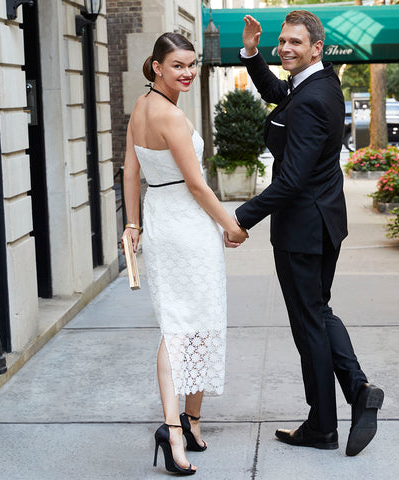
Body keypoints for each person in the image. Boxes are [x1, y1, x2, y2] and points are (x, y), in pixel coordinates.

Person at [235, 11, 384, 457]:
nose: (285, 48)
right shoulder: (314, 85)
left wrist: (241, 218)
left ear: (316, 48)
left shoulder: (315, 97)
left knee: (309, 326)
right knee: (317, 314)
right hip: (319, 224)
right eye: (282, 41)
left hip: (304, 230)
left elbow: (291, 181)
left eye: (295, 42)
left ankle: (323, 426)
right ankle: (358, 392)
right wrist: (251, 53)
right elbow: (277, 93)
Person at [121, 32, 248, 475]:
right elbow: (197, 184)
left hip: (160, 221)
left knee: (195, 321)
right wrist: (231, 223)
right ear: (157, 67)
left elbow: (130, 173)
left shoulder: (141, 108)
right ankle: (172, 430)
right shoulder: (169, 117)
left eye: (191, 64)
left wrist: (133, 224)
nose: (188, 72)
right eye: (177, 65)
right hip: (187, 225)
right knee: (183, 326)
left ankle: (191, 423)